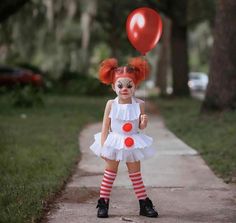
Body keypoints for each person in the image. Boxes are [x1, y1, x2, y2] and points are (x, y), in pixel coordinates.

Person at [90, 57, 158, 218]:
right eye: (120, 86)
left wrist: (143, 122)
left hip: (133, 141)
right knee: (110, 173)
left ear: (135, 87)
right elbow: (105, 126)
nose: (124, 89)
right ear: (113, 86)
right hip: (114, 141)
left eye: (129, 85)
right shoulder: (111, 104)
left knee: (136, 174)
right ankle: (103, 203)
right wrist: (103, 145)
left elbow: (140, 127)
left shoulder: (139, 104)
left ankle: (143, 203)